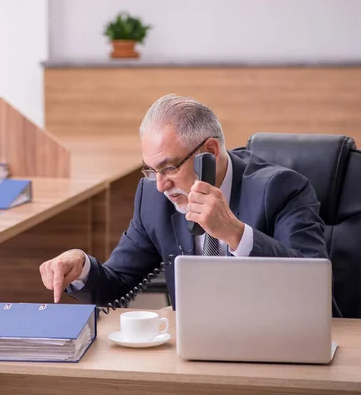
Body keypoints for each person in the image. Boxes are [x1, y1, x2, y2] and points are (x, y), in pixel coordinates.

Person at [39, 94, 328, 308]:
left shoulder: (281, 188)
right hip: (193, 352)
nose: (162, 185)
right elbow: (116, 282)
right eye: (152, 171)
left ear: (211, 152)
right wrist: (81, 267)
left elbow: (313, 285)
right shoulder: (153, 198)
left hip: (277, 343)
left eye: (169, 167)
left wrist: (235, 234)